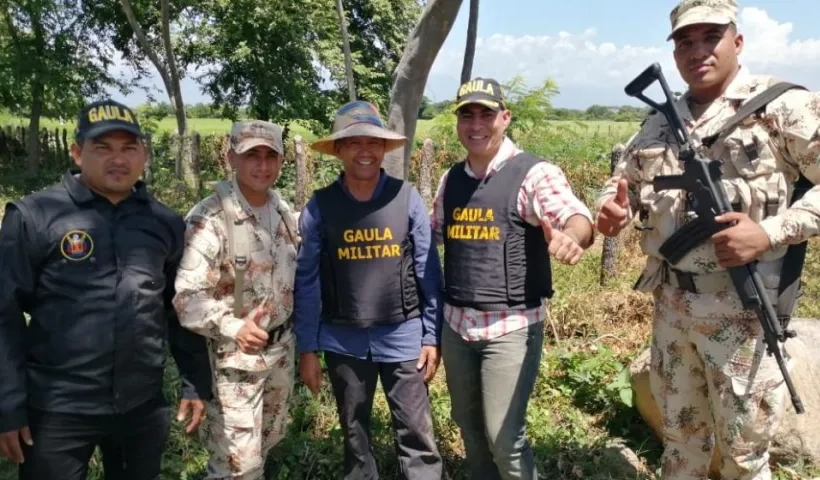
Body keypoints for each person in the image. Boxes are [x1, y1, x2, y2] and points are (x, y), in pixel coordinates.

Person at [596, 1, 820, 478]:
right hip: (671, 309)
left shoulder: (783, 107)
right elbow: (623, 185)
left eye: (710, 37)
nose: (697, 50)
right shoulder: (659, 120)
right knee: (680, 446)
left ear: (737, 42)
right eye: (684, 41)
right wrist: (611, 210)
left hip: (745, 312)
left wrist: (771, 232)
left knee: (744, 457)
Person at [0, 98, 212, 479]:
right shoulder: (36, 216)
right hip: (58, 407)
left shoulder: (164, 222)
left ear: (144, 154)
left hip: (140, 405)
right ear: (77, 152)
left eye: (128, 148)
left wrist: (194, 382)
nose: (117, 159)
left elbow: (178, 309)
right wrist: (4, 408)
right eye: (102, 148)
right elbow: (0, 316)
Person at [431, 77, 595, 480]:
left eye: (486, 114)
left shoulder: (533, 174)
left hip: (510, 328)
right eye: (466, 114)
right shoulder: (451, 180)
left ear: (504, 118)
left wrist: (573, 238)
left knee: (505, 437)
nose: (476, 124)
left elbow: (575, 217)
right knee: (469, 429)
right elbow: (429, 233)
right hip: (457, 327)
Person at [294, 100, 444, 480]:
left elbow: (429, 271)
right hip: (342, 339)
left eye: (373, 143)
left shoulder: (406, 198)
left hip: (404, 334)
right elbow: (307, 280)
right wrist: (308, 348)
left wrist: (431, 334)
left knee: (416, 432)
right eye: (354, 143)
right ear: (339, 150)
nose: (365, 151)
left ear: (383, 149)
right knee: (354, 434)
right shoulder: (320, 206)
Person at [172, 120, 300, 480]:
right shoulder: (210, 217)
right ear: (231, 157)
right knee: (236, 468)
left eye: (270, 155)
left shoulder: (283, 211)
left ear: (281, 159)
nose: (262, 165)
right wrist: (232, 325)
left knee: (264, 448)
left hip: (279, 355)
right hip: (233, 364)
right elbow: (186, 297)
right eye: (251, 156)